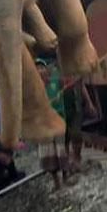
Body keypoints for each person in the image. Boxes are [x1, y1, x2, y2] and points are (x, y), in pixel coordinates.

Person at [37, 58, 67, 189]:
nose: (39, 71)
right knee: (49, 155)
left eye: (41, 67)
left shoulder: (56, 81)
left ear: (46, 70)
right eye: (36, 68)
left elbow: (66, 82)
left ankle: (65, 178)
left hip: (58, 121)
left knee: (61, 150)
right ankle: (56, 181)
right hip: (43, 125)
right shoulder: (34, 89)